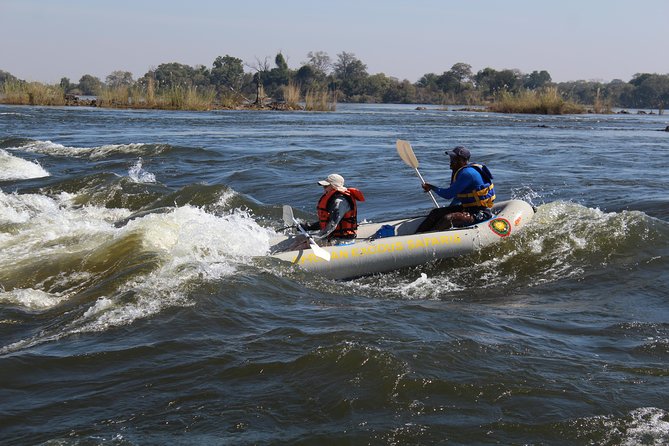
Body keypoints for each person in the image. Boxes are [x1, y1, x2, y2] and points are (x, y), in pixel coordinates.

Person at [415, 146, 495, 233]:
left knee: (448, 219)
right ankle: (417, 235)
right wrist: (447, 210)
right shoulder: (460, 172)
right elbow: (458, 197)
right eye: (451, 159)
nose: (451, 162)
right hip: (468, 209)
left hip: (481, 213)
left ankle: (428, 240)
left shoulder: (467, 173)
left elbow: (448, 195)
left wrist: (432, 187)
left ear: (463, 161)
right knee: (436, 213)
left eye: (454, 159)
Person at [303, 173, 365, 245]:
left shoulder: (339, 202)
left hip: (342, 240)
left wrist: (317, 237)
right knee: (299, 240)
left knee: (302, 244)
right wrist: (308, 227)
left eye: (326, 186)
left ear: (334, 186)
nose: (324, 188)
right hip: (332, 237)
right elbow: (326, 222)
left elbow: (333, 224)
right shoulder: (332, 199)